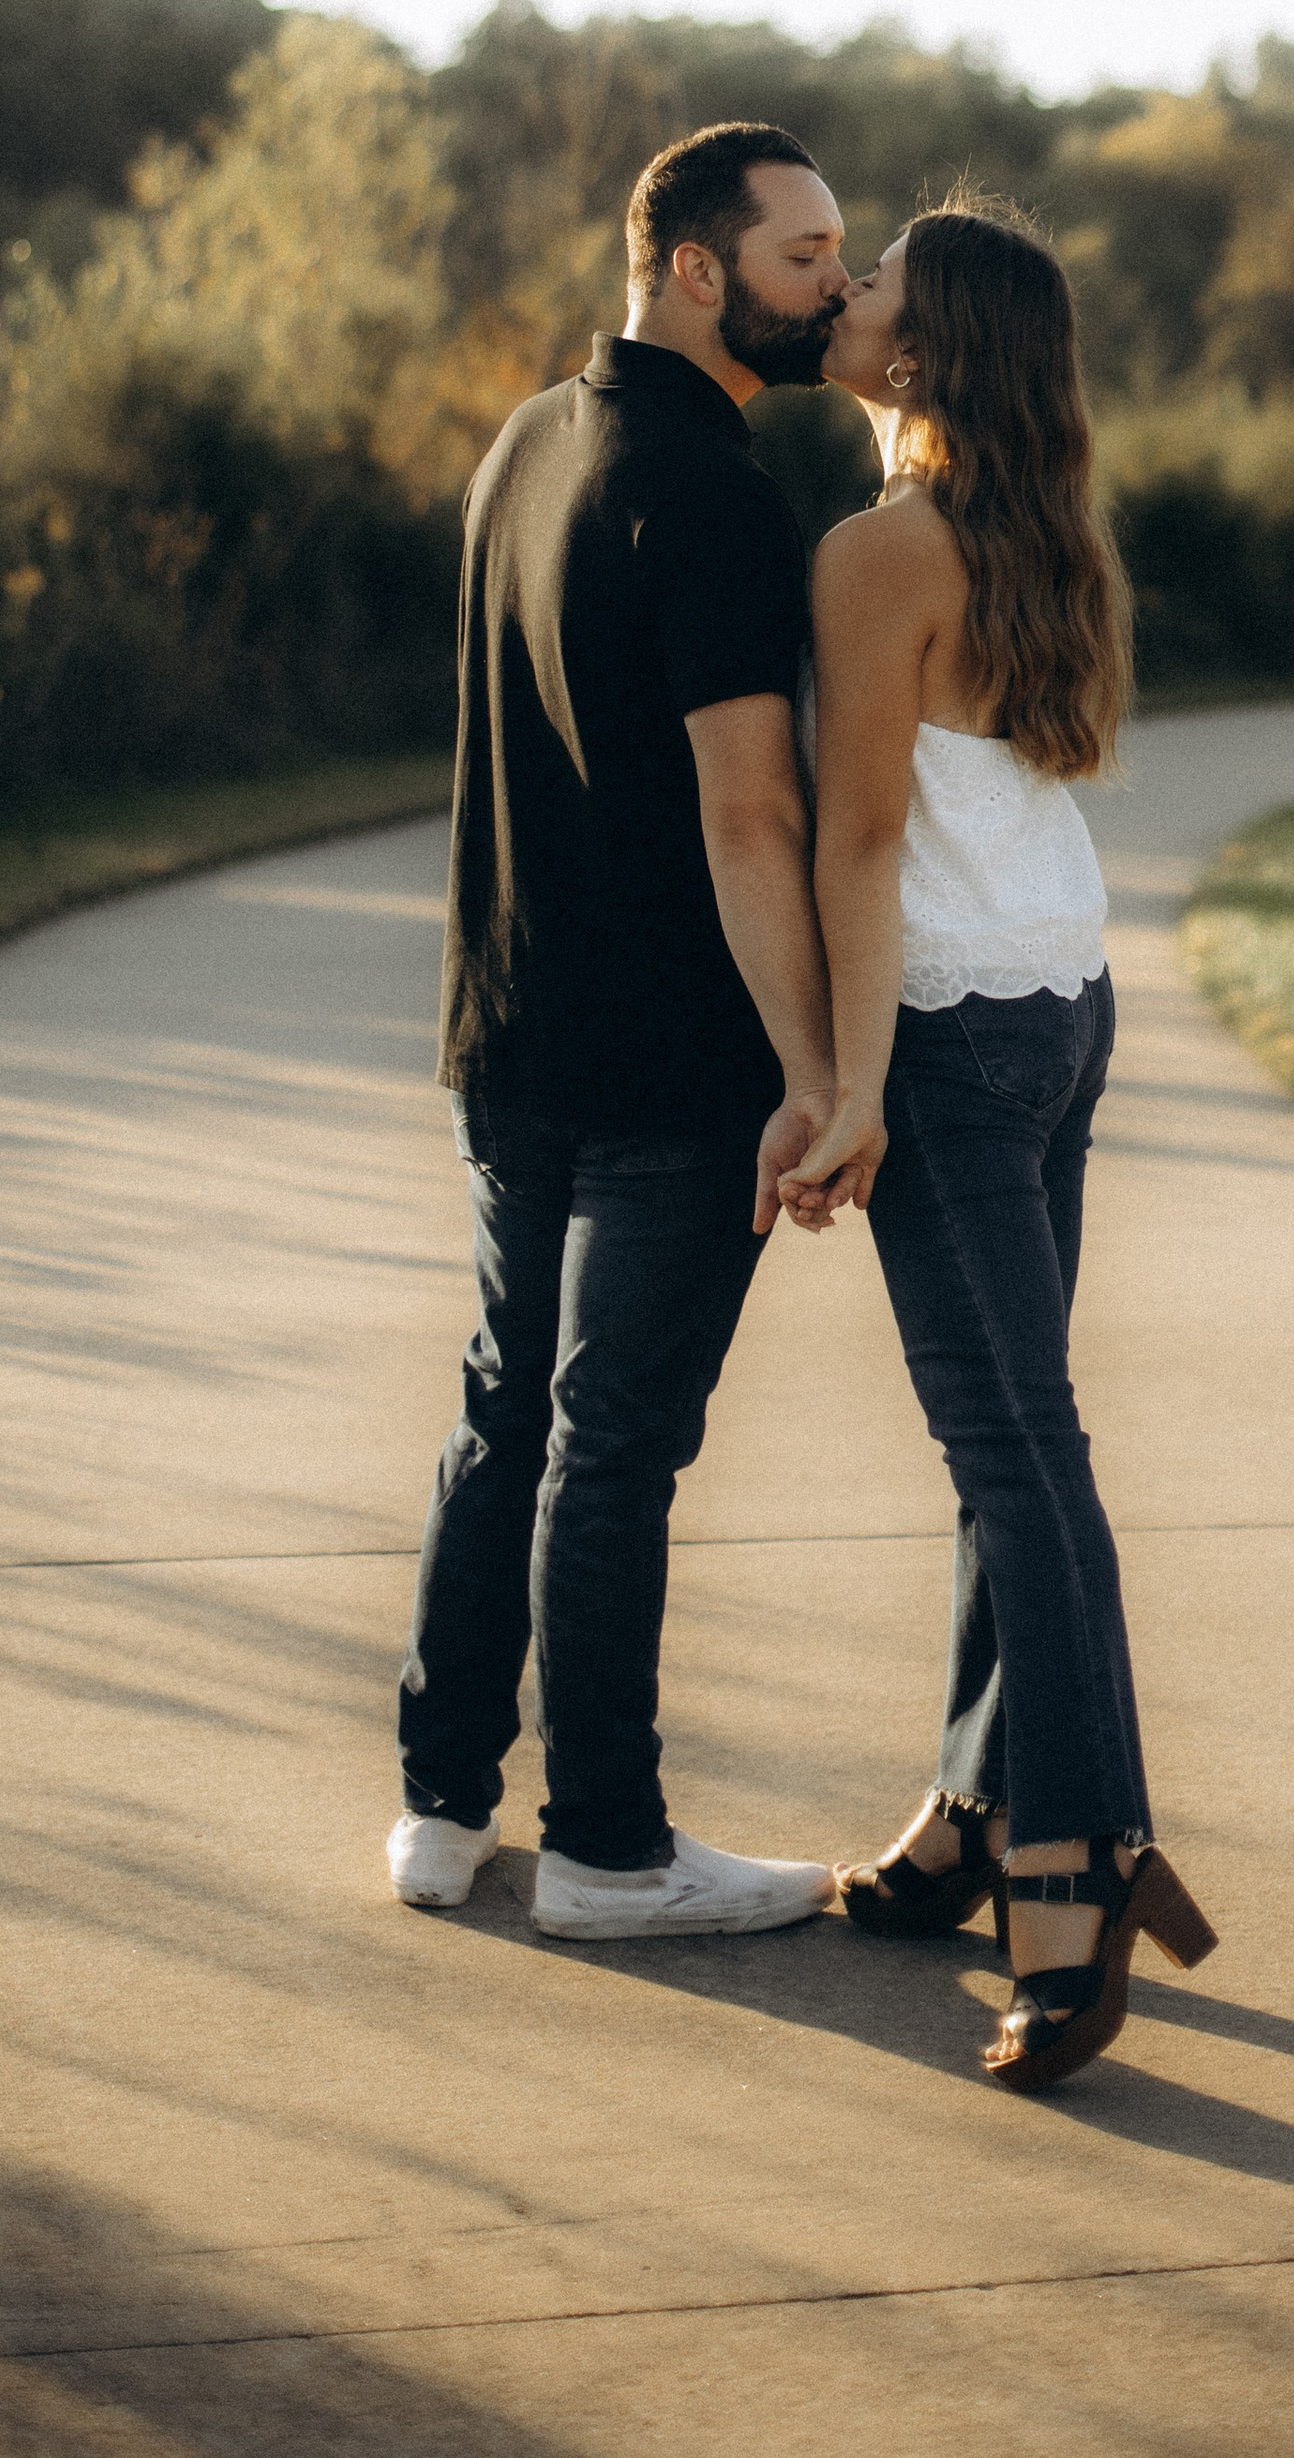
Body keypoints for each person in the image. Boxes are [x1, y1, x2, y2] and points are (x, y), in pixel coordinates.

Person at [390, 122, 850, 1937]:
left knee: (503, 1417)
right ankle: (604, 1846)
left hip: (507, 1032)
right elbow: (754, 816)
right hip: (667, 1064)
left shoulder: (525, 441)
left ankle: (439, 1811)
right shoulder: (718, 492)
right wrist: (817, 1072)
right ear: (692, 269)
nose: (834, 283)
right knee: (613, 1446)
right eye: (804, 254)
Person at [782, 200, 1216, 2091]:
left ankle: (1076, 1858)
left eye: (873, 278)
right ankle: (975, 1808)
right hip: (1064, 1005)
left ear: (929, 349)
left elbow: (860, 844)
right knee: (1014, 1435)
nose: (849, 294)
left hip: (958, 1033)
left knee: (1018, 1453)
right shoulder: (1051, 540)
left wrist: (854, 1078)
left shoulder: (882, 556)